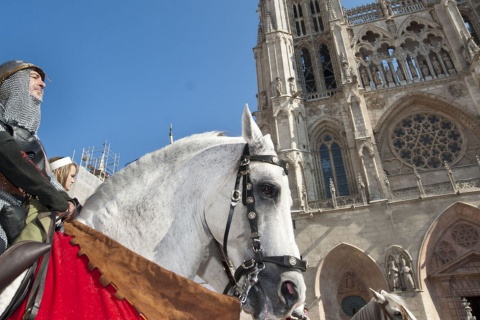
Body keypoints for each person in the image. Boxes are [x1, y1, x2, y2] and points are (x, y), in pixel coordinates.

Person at [0, 60, 75, 253]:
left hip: (24, 212)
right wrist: (55, 199)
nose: (42, 84)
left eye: (42, 81)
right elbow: (12, 159)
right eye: (34, 77)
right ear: (11, 83)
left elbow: (46, 177)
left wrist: (68, 200)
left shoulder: (33, 141)